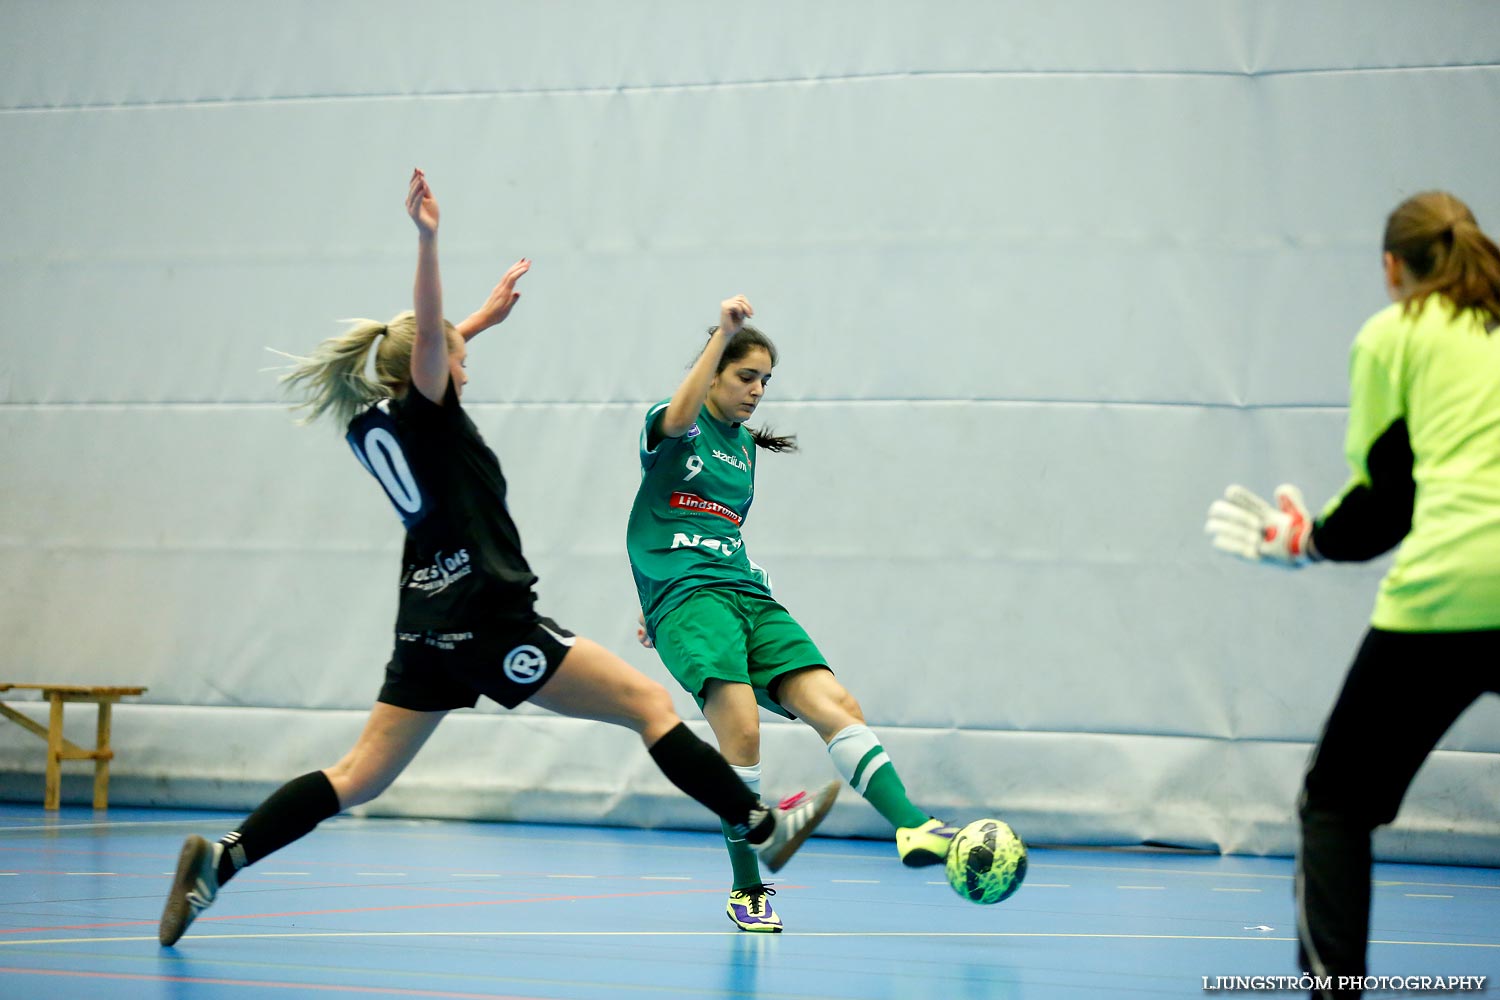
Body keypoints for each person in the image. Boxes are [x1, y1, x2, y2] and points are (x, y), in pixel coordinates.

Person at [158, 171, 838, 947]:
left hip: (425, 624)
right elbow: (425, 350)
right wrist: (428, 240)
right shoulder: (427, 406)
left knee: (358, 777)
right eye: (459, 358)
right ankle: (757, 825)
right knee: (650, 709)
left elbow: (415, 353)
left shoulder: (376, 418)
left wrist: (475, 320)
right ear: (432, 368)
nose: (466, 370)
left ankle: (223, 858)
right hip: (489, 617)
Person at [1205, 190, 1500, 998]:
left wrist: (1305, 542)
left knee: (1335, 802)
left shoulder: (1394, 336)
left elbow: (1386, 506)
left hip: (1451, 595)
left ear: (1391, 268)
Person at [627, 299, 957, 933]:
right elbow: (675, 422)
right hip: (691, 600)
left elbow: (712, 533)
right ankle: (747, 889)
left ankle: (913, 827)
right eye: (745, 376)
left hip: (745, 593)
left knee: (839, 705)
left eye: (764, 382)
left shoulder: (746, 452)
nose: (756, 391)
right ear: (714, 371)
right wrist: (661, 600)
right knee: (742, 736)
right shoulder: (676, 425)